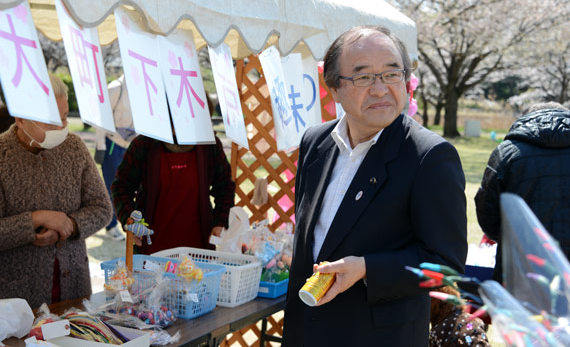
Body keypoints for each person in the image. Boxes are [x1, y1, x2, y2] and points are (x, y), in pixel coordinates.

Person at [282, 25, 468, 346]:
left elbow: (445, 265)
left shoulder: (430, 156)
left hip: (377, 335)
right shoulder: (315, 142)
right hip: (306, 328)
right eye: (364, 77)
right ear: (335, 88)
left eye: (393, 75)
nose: (381, 89)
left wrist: (367, 268)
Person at [0, 74, 112, 309]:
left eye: (64, 117)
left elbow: (102, 208)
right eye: (52, 120)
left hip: (74, 288)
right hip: (15, 298)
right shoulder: (2, 156)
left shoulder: (74, 148)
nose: (62, 126)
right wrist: (35, 219)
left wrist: (68, 226)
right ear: (21, 119)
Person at [111, 104, 236, 255]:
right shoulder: (144, 144)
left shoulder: (209, 145)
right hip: (150, 250)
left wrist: (220, 223)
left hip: (199, 250)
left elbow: (225, 188)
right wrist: (130, 221)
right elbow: (121, 187)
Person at [475, 102, 570, 283]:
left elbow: (487, 213)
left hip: (521, 268)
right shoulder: (508, 151)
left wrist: (510, 238)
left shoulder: (508, 152)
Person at [95, 75, 136, 241]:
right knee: (112, 186)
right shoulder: (115, 88)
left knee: (131, 187)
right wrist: (100, 146)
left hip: (132, 144)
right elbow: (101, 118)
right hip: (113, 143)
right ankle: (111, 225)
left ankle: (129, 224)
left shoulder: (143, 88)